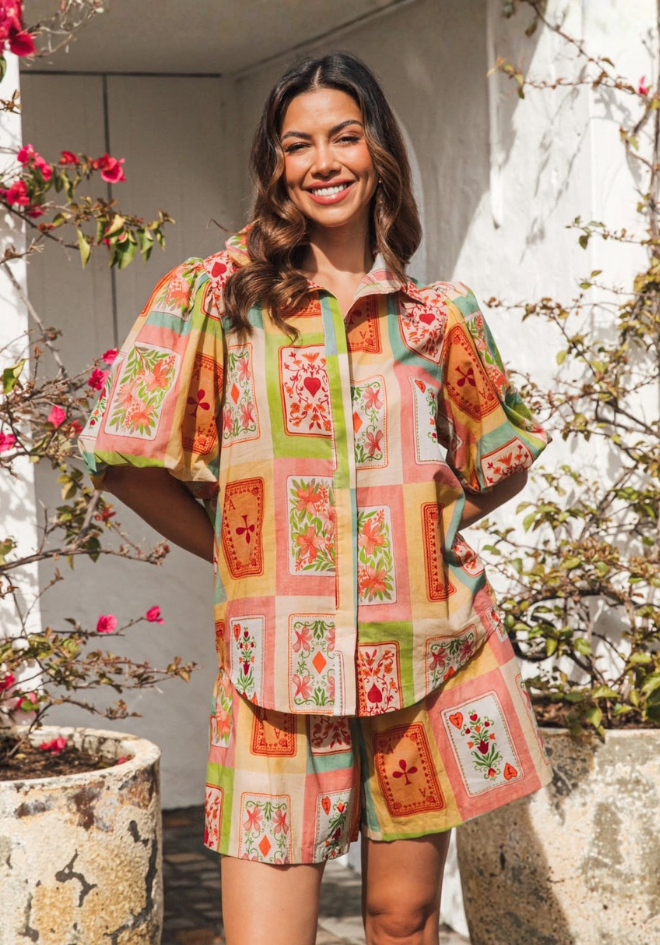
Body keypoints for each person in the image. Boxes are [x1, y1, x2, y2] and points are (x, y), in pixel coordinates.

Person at [79, 52, 553, 945]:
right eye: (299, 144)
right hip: (275, 676)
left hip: (422, 661)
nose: (323, 160)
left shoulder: (437, 316)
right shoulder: (219, 297)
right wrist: (240, 545)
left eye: (344, 135)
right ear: (276, 165)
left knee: (403, 921)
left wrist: (421, 529)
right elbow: (120, 455)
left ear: (380, 152)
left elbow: (502, 459)